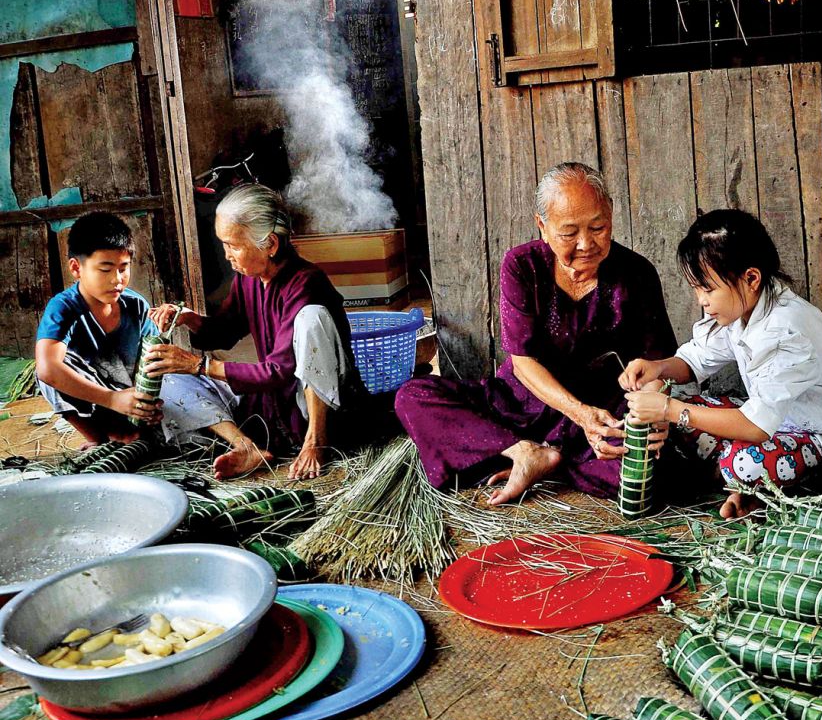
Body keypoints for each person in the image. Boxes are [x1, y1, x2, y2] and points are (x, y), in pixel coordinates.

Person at [395, 162, 676, 503]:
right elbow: (524, 363)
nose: (586, 243)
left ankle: (545, 461)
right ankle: (524, 452)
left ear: (611, 215)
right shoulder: (522, 265)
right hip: (520, 404)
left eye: (598, 227)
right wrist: (579, 412)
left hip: (600, 409)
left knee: (651, 471)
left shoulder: (637, 273)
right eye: (569, 233)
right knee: (412, 396)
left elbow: (658, 363)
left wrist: (650, 414)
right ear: (542, 226)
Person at [620, 209, 822, 520]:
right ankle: (751, 482)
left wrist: (667, 410)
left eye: (707, 289)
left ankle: (758, 479)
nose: (701, 301)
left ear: (750, 278)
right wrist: (658, 368)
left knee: (740, 461)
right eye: (696, 289)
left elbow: (756, 427)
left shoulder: (784, 329)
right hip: (783, 422)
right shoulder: (741, 308)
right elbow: (695, 360)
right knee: (682, 404)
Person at [145, 184, 365, 480]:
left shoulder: (306, 284)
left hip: (311, 409)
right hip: (270, 408)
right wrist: (189, 319)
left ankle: (316, 441)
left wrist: (199, 366)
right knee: (170, 379)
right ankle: (247, 446)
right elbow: (224, 331)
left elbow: (278, 371)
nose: (227, 256)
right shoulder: (248, 280)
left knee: (312, 319)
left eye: (233, 245)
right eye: (223, 244)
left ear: (270, 244)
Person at [35, 211, 161, 446]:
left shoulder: (136, 305)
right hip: (97, 401)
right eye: (105, 269)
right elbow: (47, 370)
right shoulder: (63, 307)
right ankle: (98, 439)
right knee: (48, 367)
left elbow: (150, 366)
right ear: (76, 268)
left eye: (123, 268)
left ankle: (131, 431)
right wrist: (112, 399)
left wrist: (146, 403)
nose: (117, 279)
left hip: (131, 401)